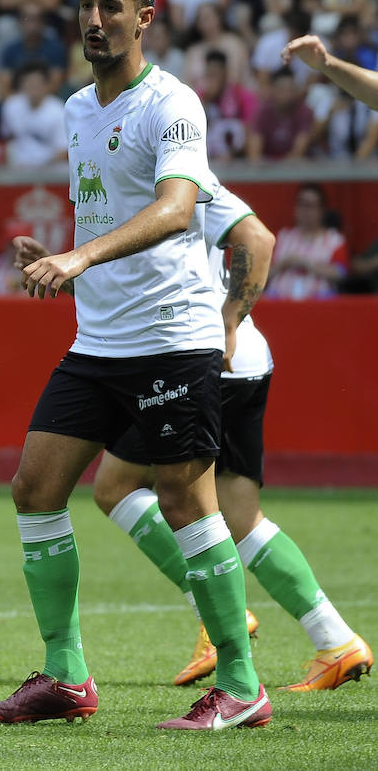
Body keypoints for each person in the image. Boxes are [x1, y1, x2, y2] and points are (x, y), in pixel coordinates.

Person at [0, 0, 268, 730]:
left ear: (146, 16)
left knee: (184, 501)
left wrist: (78, 257)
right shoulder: (77, 107)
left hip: (173, 341)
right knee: (36, 489)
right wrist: (62, 257)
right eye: (86, 6)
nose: (94, 20)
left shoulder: (173, 105)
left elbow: (178, 211)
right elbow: (109, 217)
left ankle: (242, 687)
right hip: (99, 341)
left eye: (111, 6)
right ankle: (67, 677)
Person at [67, 185, 372, 692]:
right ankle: (335, 641)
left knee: (115, 487)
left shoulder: (173, 177)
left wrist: (227, 321)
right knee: (240, 513)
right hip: (246, 361)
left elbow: (259, 238)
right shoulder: (166, 177)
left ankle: (213, 618)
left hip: (198, 356)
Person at [265, 183, 347, 300]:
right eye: (301, 204)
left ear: (322, 209)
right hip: (280, 302)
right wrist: (284, 264)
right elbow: (261, 275)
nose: (305, 211)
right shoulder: (282, 237)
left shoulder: (334, 240)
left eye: (310, 206)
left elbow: (341, 274)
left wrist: (307, 264)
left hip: (319, 304)